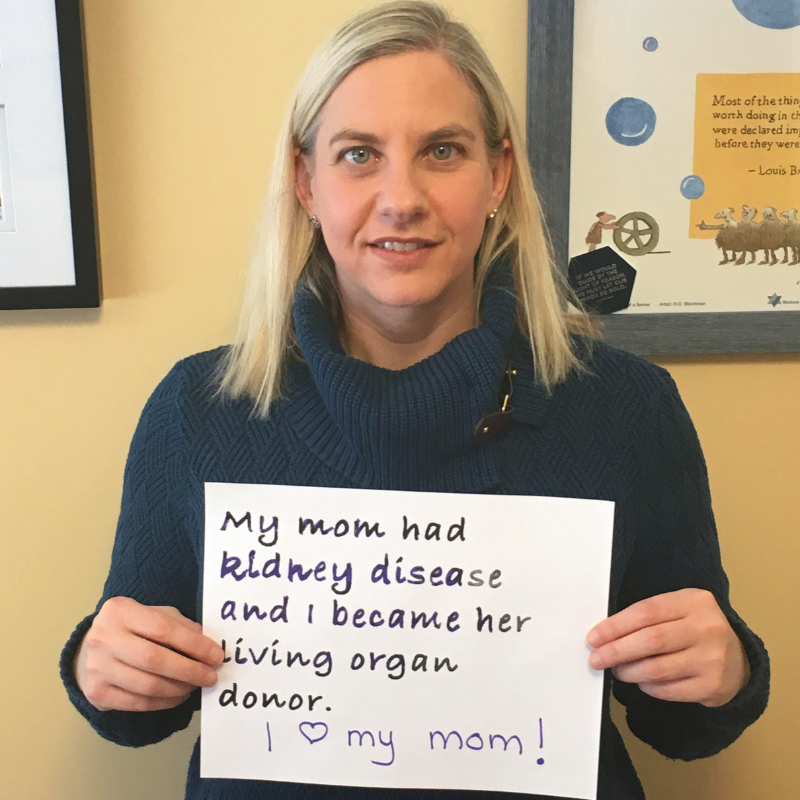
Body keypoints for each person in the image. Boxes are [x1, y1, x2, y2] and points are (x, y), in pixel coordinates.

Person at [60, 3, 769, 799]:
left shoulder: (625, 410)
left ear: (497, 174)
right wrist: (104, 663)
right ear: (305, 181)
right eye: (359, 154)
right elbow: (138, 718)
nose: (402, 198)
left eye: (442, 151)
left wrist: (725, 668)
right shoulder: (202, 409)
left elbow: (684, 727)